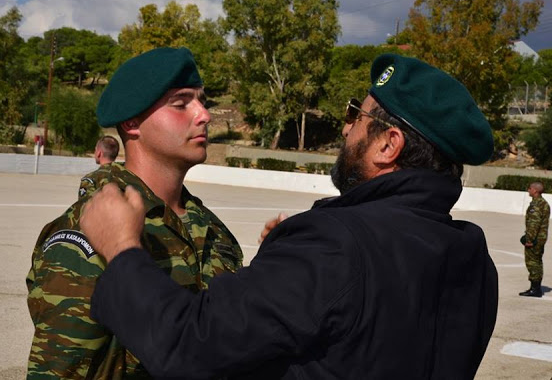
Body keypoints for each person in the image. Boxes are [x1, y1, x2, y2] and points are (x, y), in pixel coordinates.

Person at [81, 53, 499, 379]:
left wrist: (121, 249)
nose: (345, 128)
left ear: (388, 145)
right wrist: (287, 267)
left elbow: (187, 343)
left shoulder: (334, 248)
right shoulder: (474, 256)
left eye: (357, 114)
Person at [25, 47, 243, 378]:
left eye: (202, 101)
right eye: (181, 104)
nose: (204, 115)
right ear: (131, 123)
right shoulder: (92, 231)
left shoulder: (214, 231)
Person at [518, 181, 550, 297]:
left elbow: (534, 224)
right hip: (541, 238)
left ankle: (535, 289)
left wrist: (529, 239)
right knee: (537, 262)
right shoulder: (544, 203)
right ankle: (536, 287)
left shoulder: (536, 205)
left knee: (532, 263)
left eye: (530, 188)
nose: (528, 190)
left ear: (535, 191)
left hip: (535, 239)